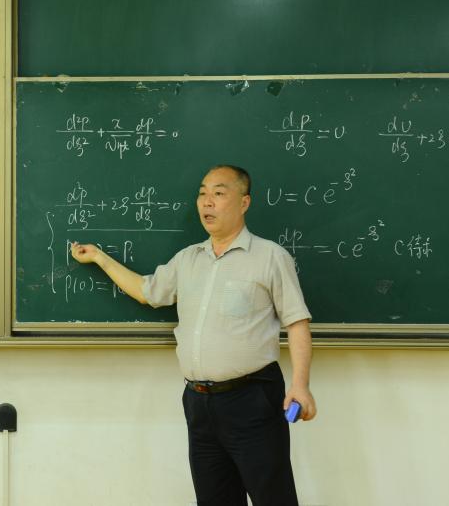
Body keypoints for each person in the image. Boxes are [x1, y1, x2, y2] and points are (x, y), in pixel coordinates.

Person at [70, 164, 315, 506]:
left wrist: (301, 385)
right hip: (199, 403)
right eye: (202, 194)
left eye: (219, 193)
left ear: (244, 203)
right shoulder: (188, 260)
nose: (207, 202)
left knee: (273, 498)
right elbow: (147, 291)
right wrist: (99, 258)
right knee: (213, 499)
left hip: (252, 399)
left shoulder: (270, 257)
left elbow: (297, 321)